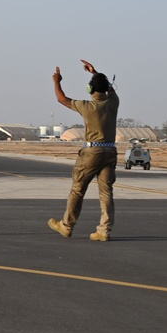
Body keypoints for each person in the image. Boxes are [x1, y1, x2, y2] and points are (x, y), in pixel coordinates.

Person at [49, 59, 119, 241]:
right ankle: (104, 230)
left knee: (78, 189)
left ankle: (66, 225)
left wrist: (57, 82)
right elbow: (109, 88)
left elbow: (61, 99)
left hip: (92, 152)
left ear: (90, 90)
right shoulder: (113, 102)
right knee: (106, 192)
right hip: (110, 151)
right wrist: (95, 73)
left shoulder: (87, 106)